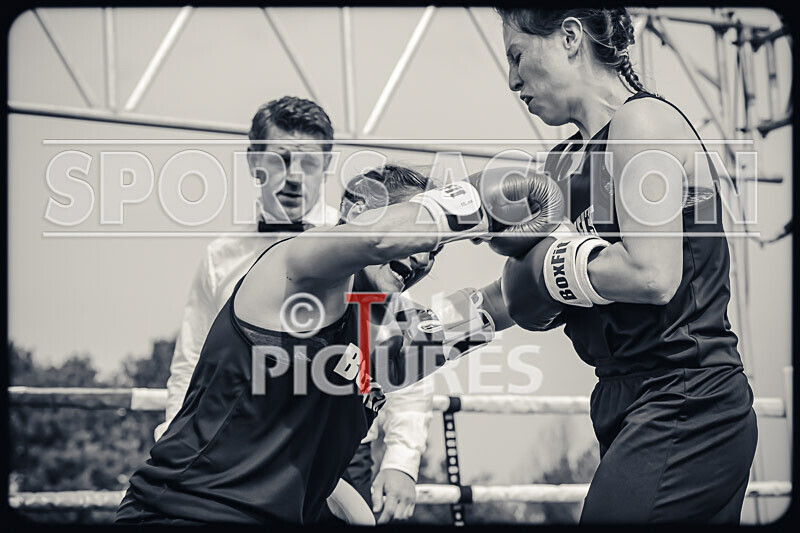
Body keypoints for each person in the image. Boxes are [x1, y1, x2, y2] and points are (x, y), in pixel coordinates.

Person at [115, 161, 558, 525]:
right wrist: (475, 199)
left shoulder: (386, 350)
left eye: (437, 250)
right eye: (427, 239)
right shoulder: (292, 272)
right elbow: (375, 238)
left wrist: (569, 260)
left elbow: (501, 303)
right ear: (361, 213)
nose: (424, 256)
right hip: (182, 514)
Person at [489, 7, 758, 524]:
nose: (512, 79)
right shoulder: (563, 162)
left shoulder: (643, 122)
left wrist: (556, 266)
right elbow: (526, 288)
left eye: (517, 56)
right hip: (625, 399)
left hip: (688, 394)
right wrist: (435, 329)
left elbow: (652, 274)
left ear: (570, 37)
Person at [152, 96, 434, 523]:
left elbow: (406, 348)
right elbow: (189, 363)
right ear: (254, 161)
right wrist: (174, 442)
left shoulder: (366, 244)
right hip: (234, 454)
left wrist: (401, 460)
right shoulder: (221, 256)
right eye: (281, 159)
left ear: (327, 165)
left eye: (309, 162)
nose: (295, 176)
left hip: (340, 452)